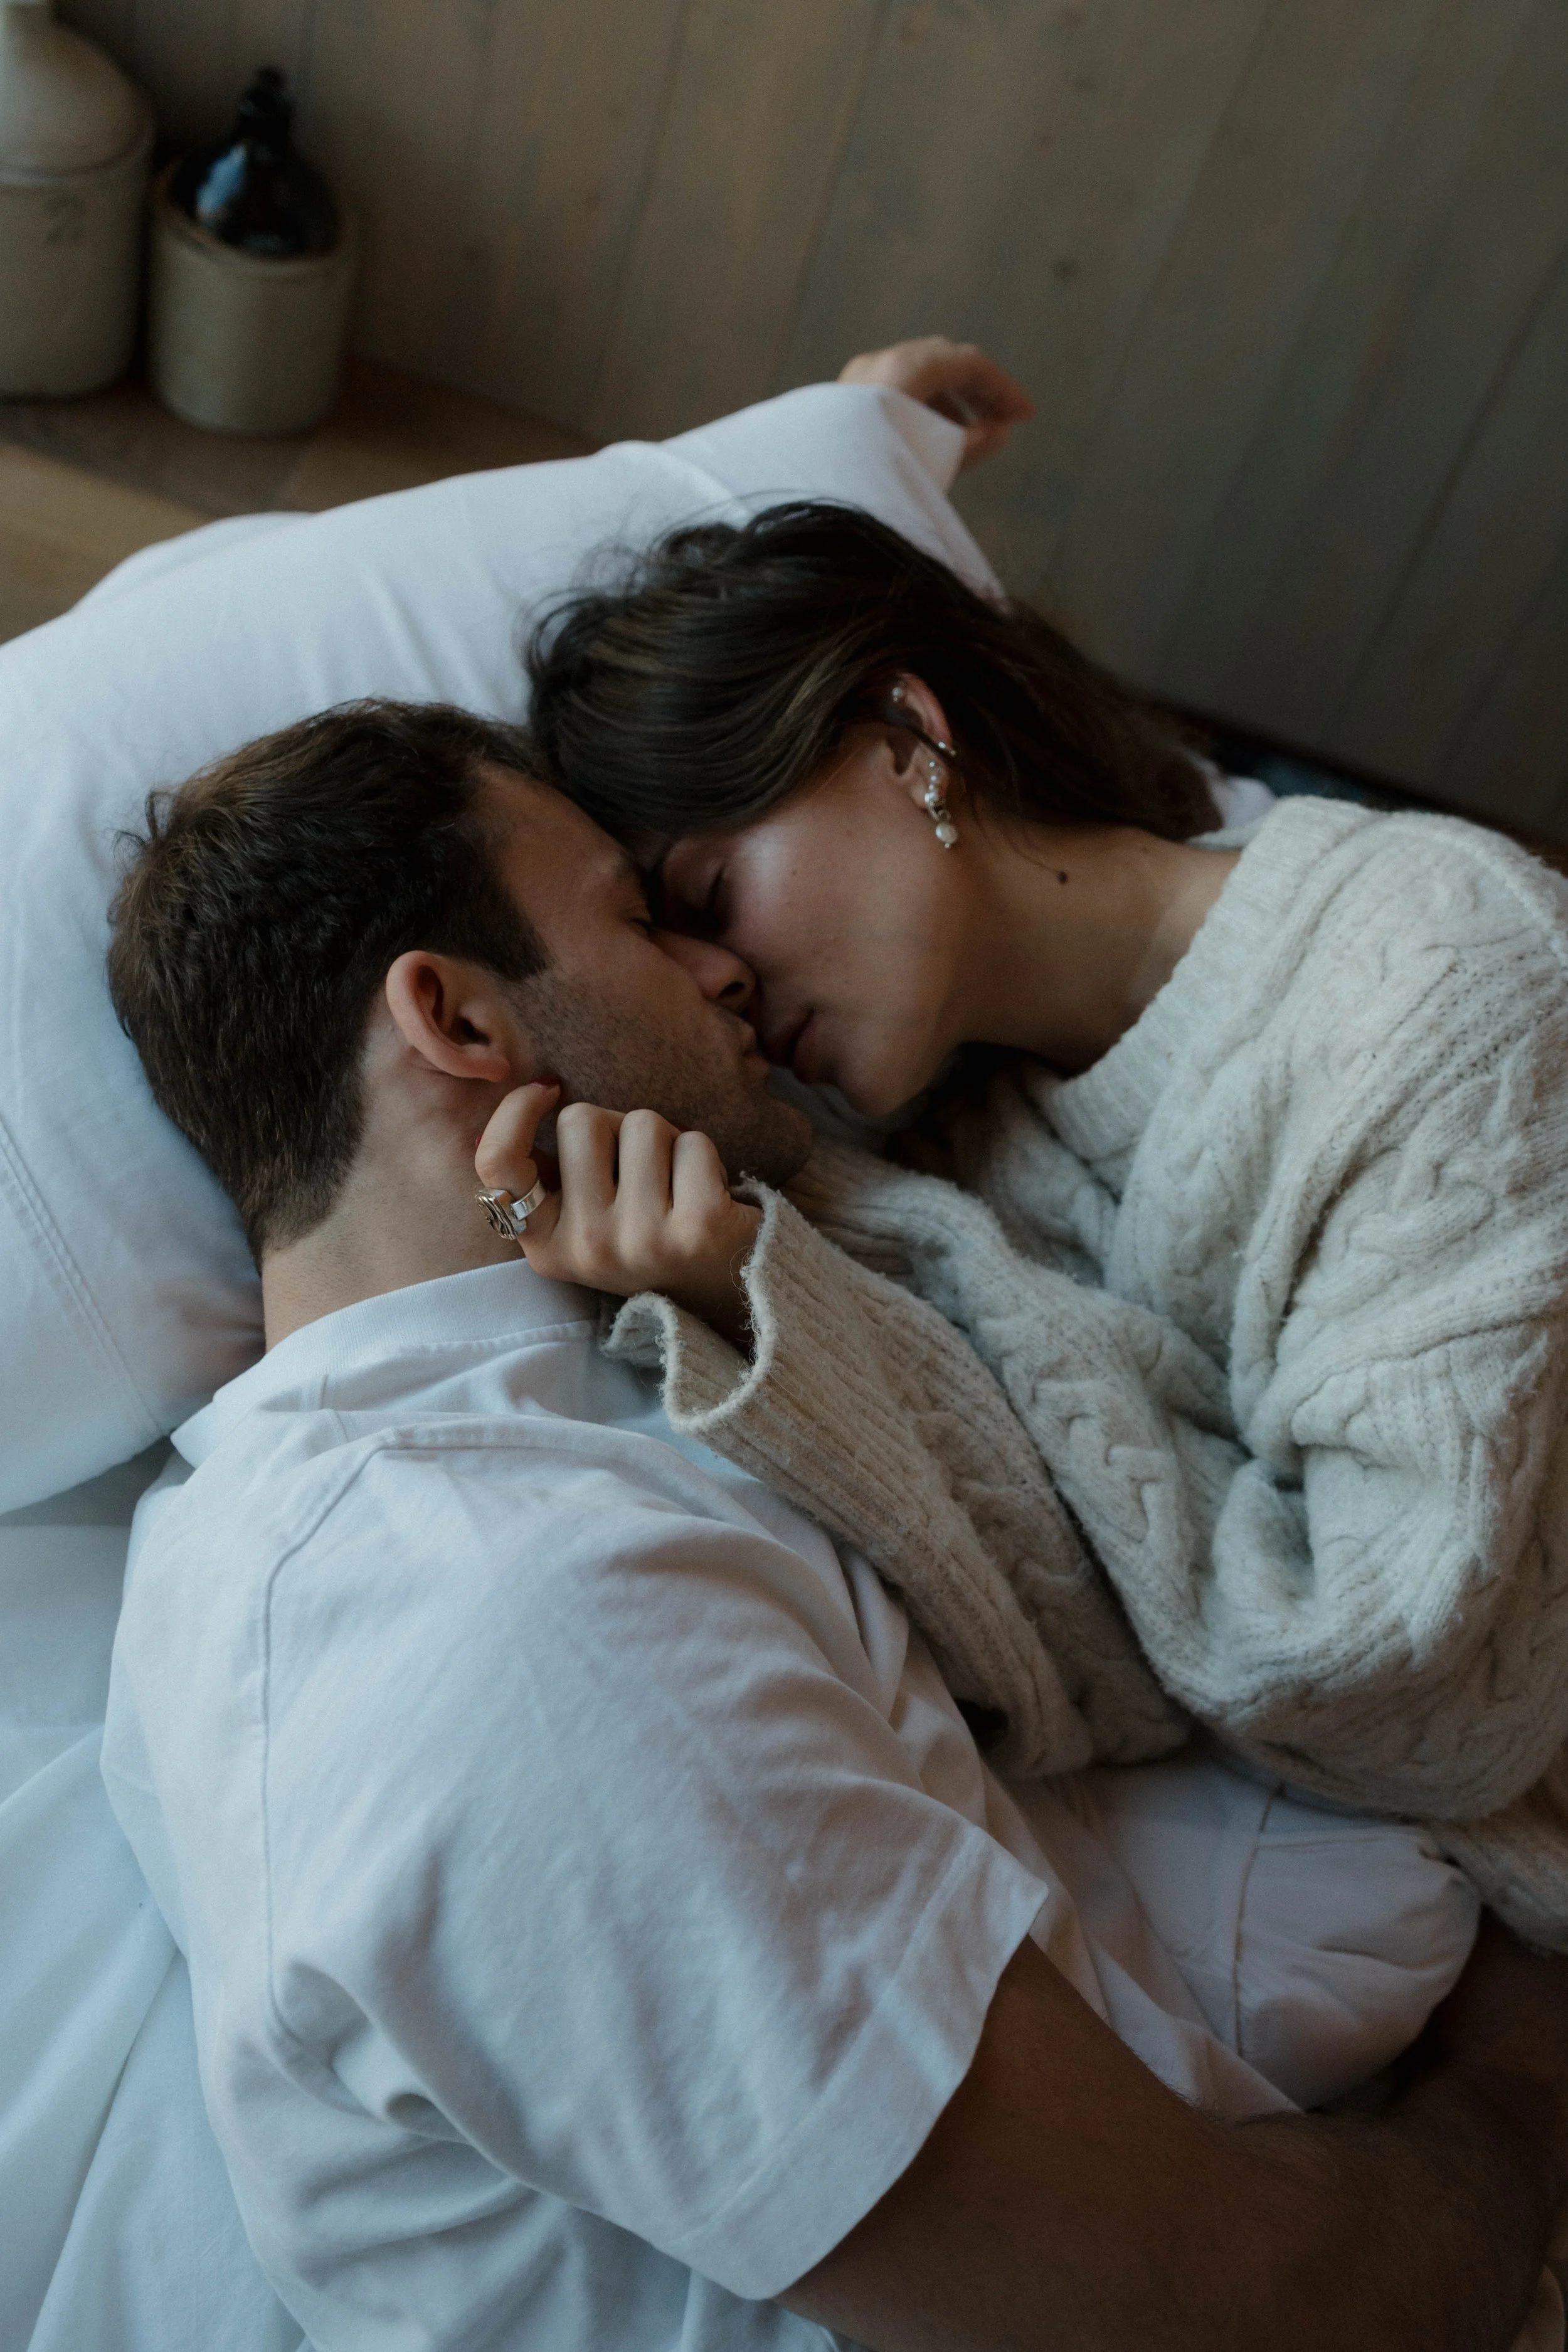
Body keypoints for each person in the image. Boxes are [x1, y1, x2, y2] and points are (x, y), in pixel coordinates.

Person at [100, 696, 1568, 2352]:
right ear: (453, 1016)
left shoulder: (345, 1488)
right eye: (635, 914)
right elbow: (1230, 2302)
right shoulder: (513, 1618)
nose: (721, 969)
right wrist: (1515, 2077)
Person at [521, 492, 1568, 1952]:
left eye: (715, 891)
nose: (724, 987)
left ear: (902, 739)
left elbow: (1394, 1683)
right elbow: (1091, 1648)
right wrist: (754, 1277)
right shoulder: (961, 1150)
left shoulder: (1438, 980)